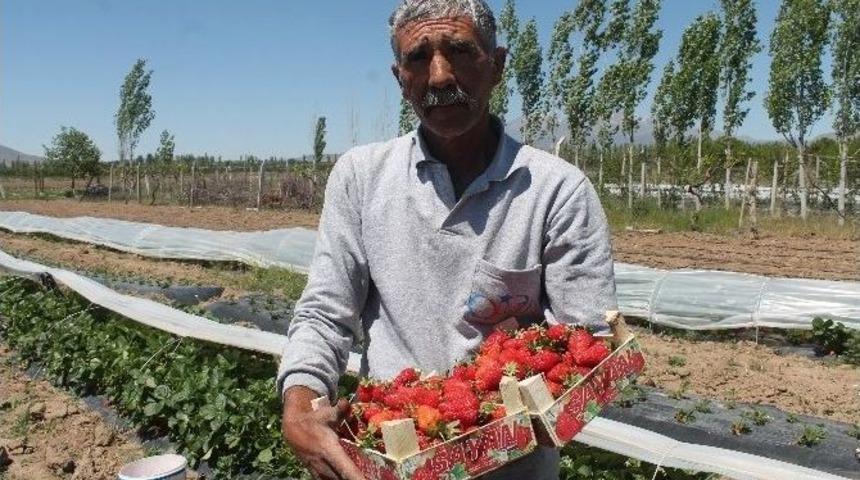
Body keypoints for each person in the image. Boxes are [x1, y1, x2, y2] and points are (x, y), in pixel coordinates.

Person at [279, 1, 617, 478]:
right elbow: (325, 312)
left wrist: (535, 412)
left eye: (459, 51)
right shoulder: (361, 177)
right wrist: (300, 406)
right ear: (400, 78)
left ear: (496, 66)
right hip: (390, 451)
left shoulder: (556, 191)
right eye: (418, 58)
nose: (439, 76)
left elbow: (586, 344)